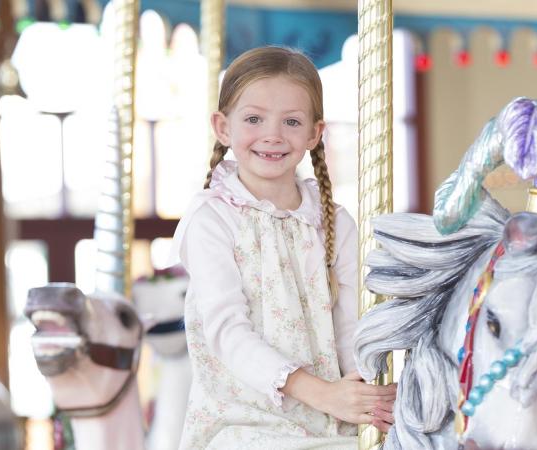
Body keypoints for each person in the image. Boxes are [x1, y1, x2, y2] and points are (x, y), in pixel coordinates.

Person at [169, 47, 396, 449]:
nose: (273, 135)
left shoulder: (333, 222)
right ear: (223, 127)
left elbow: (349, 329)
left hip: (329, 421)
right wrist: (321, 393)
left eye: (291, 121)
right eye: (254, 119)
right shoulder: (212, 220)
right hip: (243, 422)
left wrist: (363, 389)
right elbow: (227, 333)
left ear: (314, 133)